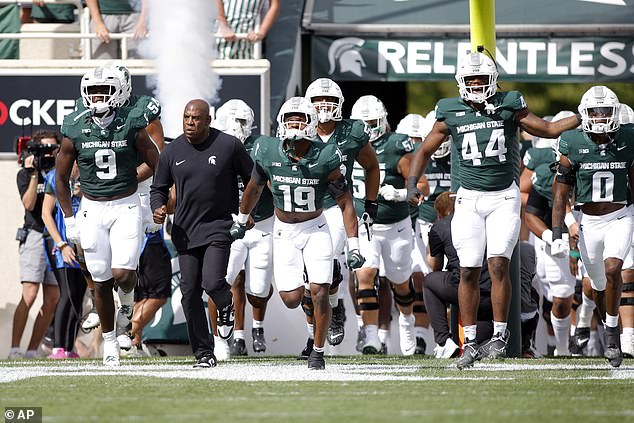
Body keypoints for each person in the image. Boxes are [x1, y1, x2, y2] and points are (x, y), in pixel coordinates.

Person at [407, 50, 582, 368]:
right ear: (461, 81)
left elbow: (548, 129)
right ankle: (470, 341)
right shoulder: (451, 110)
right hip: (469, 199)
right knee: (469, 268)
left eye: (481, 78)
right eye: (470, 79)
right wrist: (410, 185)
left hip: (503, 197)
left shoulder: (508, 103)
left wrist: (584, 116)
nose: (475, 84)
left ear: (493, 80)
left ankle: (500, 337)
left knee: (499, 263)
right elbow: (425, 148)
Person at [231, 96, 364, 370]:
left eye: (300, 119)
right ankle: (318, 289)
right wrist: (242, 218)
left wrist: (354, 245)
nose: (294, 123)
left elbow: (345, 202)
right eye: (289, 118)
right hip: (284, 231)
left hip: (315, 228)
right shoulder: (267, 151)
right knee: (292, 299)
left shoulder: (325, 155)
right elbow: (253, 189)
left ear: (311, 123)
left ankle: (317, 351)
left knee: (319, 290)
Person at [56, 64, 160, 366]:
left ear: (119, 92)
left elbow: (158, 163)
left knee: (124, 274)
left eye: (104, 90)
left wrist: (156, 201)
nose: (98, 96)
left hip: (126, 204)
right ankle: (111, 341)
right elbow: (61, 178)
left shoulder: (132, 121)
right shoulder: (74, 125)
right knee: (100, 279)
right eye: (93, 91)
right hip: (92, 208)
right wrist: (70, 219)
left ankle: (126, 305)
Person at [151, 99, 253, 368]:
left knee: (212, 283)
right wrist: (158, 208)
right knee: (189, 293)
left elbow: (254, 179)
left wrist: (246, 211)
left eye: (196, 118)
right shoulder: (171, 152)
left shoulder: (229, 145)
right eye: (186, 117)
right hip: (185, 231)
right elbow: (158, 188)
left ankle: (226, 305)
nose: (190, 122)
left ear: (208, 121)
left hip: (219, 226)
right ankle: (204, 353)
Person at [552, 85, 634, 368]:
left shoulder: (628, 137)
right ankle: (610, 326)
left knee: (614, 268)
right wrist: (565, 227)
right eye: (594, 112)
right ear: (584, 114)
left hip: (621, 215)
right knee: (598, 285)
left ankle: (613, 334)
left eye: (605, 112)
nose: (600, 117)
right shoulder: (572, 142)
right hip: (588, 221)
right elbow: (560, 192)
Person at [302, 78, 379, 353]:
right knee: (303, 282)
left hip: (336, 206)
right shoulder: (298, 126)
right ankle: (314, 334)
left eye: (330, 101)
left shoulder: (352, 131)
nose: (324, 106)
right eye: (319, 101)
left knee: (328, 262)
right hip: (303, 209)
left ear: (340, 105)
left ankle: (333, 312)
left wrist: (371, 204)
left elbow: (371, 166)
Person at [350, 95, 418, 356]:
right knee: (365, 276)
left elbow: (418, 185)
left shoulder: (395, 144)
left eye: (372, 122)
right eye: (363, 123)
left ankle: (406, 320)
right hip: (365, 223)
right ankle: (370, 337)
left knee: (400, 282)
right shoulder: (347, 144)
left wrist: (400, 194)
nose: (369, 128)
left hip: (395, 224)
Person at [210, 99, 275, 358]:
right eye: (233, 121)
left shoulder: (262, 146)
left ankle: (256, 326)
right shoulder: (211, 146)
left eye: (241, 121)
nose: (237, 127)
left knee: (258, 290)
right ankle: (220, 340)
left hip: (261, 223)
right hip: (228, 223)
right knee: (221, 281)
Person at [521, 111, 578, 356]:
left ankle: (593, 333)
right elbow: (531, 212)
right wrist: (551, 237)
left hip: (596, 231)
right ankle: (561, 347)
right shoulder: (547, 173)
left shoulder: (600, 165)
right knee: (561, 296)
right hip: (561, 239)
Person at [396, 111, 445, 354]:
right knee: (423, 279)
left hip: (455, 225)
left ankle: (448, 337)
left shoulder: (461, 156)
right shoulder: (416, 158)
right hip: (422, 226)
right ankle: (423, 336)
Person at [9, 130, 60, 359]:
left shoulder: (61, 171)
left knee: (52, 298)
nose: (48, 153)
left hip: (56, 236)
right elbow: (29, 205)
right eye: (44, 149)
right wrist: (33, 174)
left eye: (53, 148)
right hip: (34, 234)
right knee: (29, 294)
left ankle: (32, 349)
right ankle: (15, 349)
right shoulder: (25, 173)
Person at [424, 191, 492, 358]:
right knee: (481, 332)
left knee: (429, 282)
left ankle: (443, 341)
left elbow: (435, 267)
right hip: (494, 294)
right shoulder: (486, 221)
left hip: (466, 288)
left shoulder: (441, 226)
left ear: (440, 214)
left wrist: (429, 245)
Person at [41, 159, 86, 359]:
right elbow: (45, 214)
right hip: (59, 240)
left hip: (80, 243)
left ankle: (69, 347)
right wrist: (61, 244)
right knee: (68, 292)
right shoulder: (54, 176)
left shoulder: (86, 177)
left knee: (79, 294)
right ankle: (58, 347)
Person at [216, 0, 280, 59]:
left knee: (246, 68)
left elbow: (274, 6)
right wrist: (223, 25)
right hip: (221, 37)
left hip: (248, 39)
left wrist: (261, 32)